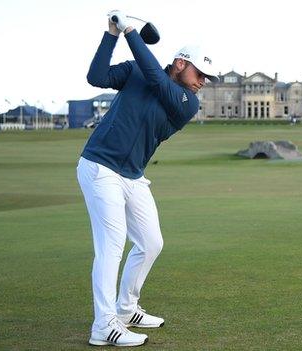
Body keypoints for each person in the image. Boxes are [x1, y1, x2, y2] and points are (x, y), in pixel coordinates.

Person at [77, 10, 219, 347]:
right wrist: (112, 34)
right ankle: (103, 325)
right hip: (100, 167)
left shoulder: (187, 103)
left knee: (151, 242)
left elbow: (157, 79)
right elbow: (97, 76)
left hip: (133, 176)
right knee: (111, 247)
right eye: (200, 73)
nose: (203, 81)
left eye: (206, 78)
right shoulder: (138, 70)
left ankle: (126, 308)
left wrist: (130, 31)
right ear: (182, 63)